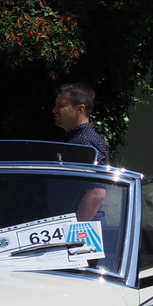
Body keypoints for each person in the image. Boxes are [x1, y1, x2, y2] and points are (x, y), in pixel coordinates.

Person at [53, 82, 111, 221]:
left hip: (80, 235)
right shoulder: (75, 140)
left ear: (80, 109)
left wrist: (74, 233)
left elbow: (96, 192)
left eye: (61, 105)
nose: (54, 110)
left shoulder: (87, 143)